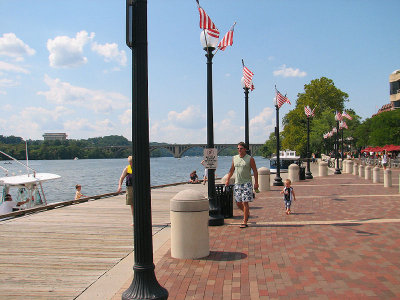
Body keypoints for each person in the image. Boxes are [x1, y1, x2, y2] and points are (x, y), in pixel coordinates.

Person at [225, 142, 259, 228]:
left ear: (245, 149)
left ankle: (244, 221)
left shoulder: (250, 159)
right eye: (238, 148)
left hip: (247, 183)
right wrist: (228, 179)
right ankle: (246, 212)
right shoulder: (234, 158)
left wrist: (256, 183)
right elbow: (231, 170)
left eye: (241, 148)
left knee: (245, 202)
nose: (239, 150)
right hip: (237, 183)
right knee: (238, 202)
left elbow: (255, 171)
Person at [117, 156, 134, 221]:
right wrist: (119, 186)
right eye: (130, 162)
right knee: (132, 204)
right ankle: (134, 220)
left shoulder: (139, 167)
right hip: (130, 188)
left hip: (138, 188)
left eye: (131, 162)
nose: (130, 164)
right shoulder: (127, 168)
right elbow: (121, 178)